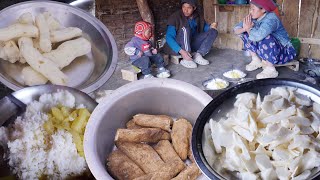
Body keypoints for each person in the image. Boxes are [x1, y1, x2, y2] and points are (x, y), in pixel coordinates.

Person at [234, 0, 296, 79]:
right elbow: (236, 29)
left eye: (253, 9)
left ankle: (271, 69)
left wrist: (248, 28)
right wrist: (244, 29)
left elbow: (258, 36)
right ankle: (256, 60)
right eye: (250, 8)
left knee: (265, 37)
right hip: (269, 52)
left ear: (263, 9)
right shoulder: (254, 17)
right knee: (245, 33)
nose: (250, 11)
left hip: (285, 52)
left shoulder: (271, 18)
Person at [162, 0, 218, 69]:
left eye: (189, 8)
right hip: (177, 47)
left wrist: (211, 27)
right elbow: (169, 37)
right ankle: (186, 58)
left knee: (213, 31)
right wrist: (181, 51)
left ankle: (198, 55)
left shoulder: (197, 16)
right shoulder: (175, 17)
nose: (186, 10)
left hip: (191, 42)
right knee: (185, 29)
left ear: (194, 8)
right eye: (184, 7)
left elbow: (205, 27)